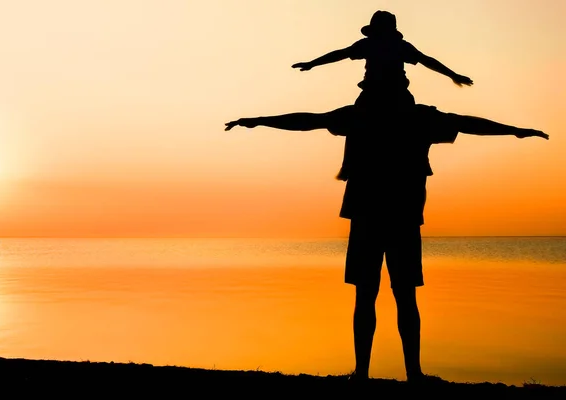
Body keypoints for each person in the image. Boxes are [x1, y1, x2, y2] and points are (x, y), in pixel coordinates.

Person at [224, 104, 548, 384]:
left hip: (382, 217)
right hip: (394, 217)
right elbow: (308, 120)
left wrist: (517, 130)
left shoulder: (374, 116)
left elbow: (310, 120)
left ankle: (386, 374)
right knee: (390, 296)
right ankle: (389, 374)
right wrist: (258, 120)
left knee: (381, 296)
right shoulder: (406, 117)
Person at [291, 10, 473, 181]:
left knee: (359, 122)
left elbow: (341, 54)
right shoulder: (391, 45)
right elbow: (426, 60)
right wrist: (453, 75)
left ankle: (351, 165)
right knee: (359, 120)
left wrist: (312, 64)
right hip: (387, 95)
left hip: (387, 95)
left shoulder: (379, 45)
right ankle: (353, 165)